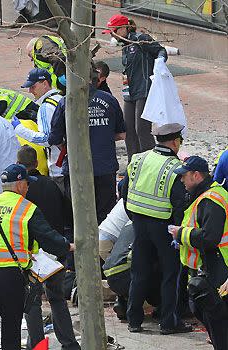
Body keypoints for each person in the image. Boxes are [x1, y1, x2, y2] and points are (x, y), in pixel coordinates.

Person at [0, 164, 73, 350]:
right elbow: (48, 237)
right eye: (27, 183)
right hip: (9, 277)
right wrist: (67, 246)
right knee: (11, 332)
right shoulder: (26, 208)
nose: (28, 187)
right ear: (20, 184)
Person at [119, 123, 191, 334]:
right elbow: (179, 204)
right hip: (165, 227)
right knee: (172, 274)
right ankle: (169, 322)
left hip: (139, 223)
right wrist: (178, 232)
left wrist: (134, 216)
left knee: (139, 272)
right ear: (176, 142)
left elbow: (124, 191)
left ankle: (134, 320)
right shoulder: (174, 168)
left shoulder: (138, 159)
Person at [16, 146, 79, 350]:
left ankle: (36, 344)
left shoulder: (21, 193)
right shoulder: (52, 185)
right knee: (57, 299)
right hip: (55, 251)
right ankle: (69, 344)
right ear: (36, 163)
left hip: (33, 254)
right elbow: (68, 214)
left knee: (32, 301)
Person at [48, 71, 126, 223]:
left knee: (80, 218)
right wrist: (102, 136)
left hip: (77, 168)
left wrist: (69, 144)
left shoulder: (66, 102)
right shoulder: (109, 99)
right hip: (104, 167)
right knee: (105, 219)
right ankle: (103, 246)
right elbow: (122, 134)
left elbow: (54, 138)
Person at [168, 156, 228, 348]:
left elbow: (210, 238)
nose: (181, 180)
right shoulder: (207, 196)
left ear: (196, 175)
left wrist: (181, 234)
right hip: (213, 266)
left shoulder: (211, 200)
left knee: (218, 323)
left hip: (219, 268)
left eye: (184, 176)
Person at [104, 14, 168, 160]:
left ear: (123, 29)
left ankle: (152, 162)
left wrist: (160, 62)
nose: (112, 35)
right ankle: (133, 164)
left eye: (113, 31)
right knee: (129, 130)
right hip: (129, 91)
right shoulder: (125, 44)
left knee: (142, 130)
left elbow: (161, 50)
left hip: (144, 89)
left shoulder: (141, 39)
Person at [13, 68, 64, 188]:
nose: (30, 91)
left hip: (59, 168)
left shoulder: (46, 107)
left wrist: (19, 129)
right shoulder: (60, 99)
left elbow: (46, 139)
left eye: (33, 86)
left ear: (45, 84)